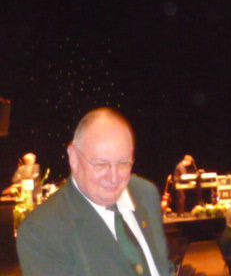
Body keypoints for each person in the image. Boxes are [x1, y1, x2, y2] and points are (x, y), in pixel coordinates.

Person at [16, 107, 173, 276]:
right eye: (101, 164)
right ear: (73, 158)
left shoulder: (146, 193)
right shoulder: (42, 231)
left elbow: (162, 268)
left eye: (123, 163)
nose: (113, 177)